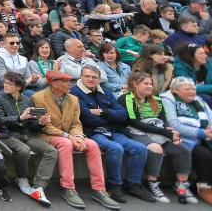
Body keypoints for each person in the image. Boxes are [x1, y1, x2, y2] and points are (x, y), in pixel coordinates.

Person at [31, 70, 119, 210]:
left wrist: (78, 137)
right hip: (47, 135)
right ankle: (68, 188)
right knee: (65, 144)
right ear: (54, 84)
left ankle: (99, 189)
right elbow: (45, 126)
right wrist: (69, 137)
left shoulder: (73, 99)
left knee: (92, 145)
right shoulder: (37, 98)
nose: (70, 84)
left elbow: (76, 124)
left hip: (71, 135)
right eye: (66, 81)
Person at [70, 65, 152, 202]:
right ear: (81, 77)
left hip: (113, 130)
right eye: (87, 76)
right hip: (93, 132)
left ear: (99, 79)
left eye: (94, 77)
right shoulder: (74, 92)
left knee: (140, 148)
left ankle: (133, 184)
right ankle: (115, 185)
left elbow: (123, 115)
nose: (90, 79)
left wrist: (103, 112)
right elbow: (86, 117)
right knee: (115, 148)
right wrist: (110, 117)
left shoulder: (105, 92)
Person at [117, 71, 196, 204]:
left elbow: (163, 119)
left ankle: (182, 185)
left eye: (151, 84)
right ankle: (153, 183)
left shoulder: (156, 99)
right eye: (146, 83)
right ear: (135, 84)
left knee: (182, 149)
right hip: (136, 132)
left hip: (158, 130)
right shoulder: (126, 98)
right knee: (156, 148)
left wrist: (170, 131)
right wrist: (165, 132)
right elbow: (134, 122)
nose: (149, 86)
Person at [0, 71, 57, 206]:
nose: (5, 85)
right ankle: (22, 178)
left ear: (18, 87)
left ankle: (39, 186)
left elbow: (32, 126)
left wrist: (40, 123)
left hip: (26, 135)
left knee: (51, 151)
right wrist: (20, 118)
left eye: (9, 83)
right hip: (7, 134)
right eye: (5, 82)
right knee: (24, 150)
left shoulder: (27, 100)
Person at [161, 77, 212, 205]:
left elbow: (211, 119)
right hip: (178, 138)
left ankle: (199, 185)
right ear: (176, 90)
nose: (192, 91)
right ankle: (203, 187)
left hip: (201, 138)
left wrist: (209, 131)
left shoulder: (199, 101)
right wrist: (202, 133)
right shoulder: (168, 99)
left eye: (193, 89)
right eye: (188, 89)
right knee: (204, 154)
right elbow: (174, 125)